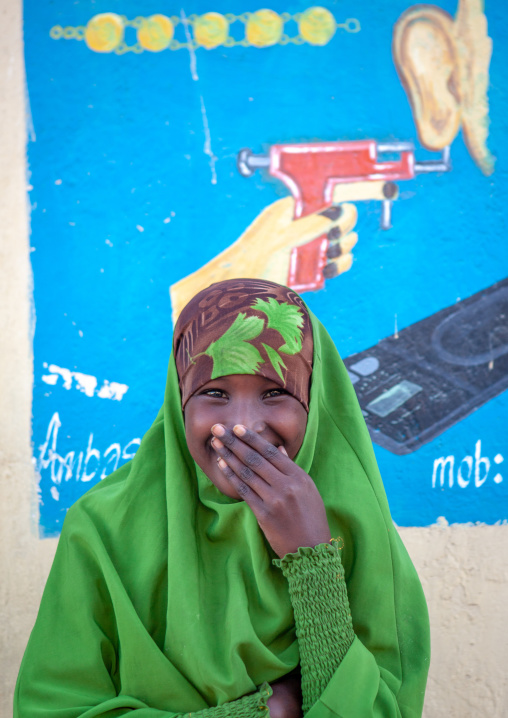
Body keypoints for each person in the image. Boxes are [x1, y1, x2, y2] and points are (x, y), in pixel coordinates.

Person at [14, 278, 430, 718]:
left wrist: (312, 559)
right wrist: (263, 713)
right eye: (214, 393)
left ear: (313, 399)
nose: (243, 425)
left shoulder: (354, 528)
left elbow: (385, 708)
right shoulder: (102, 530)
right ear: (180, 403)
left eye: (276, 394)